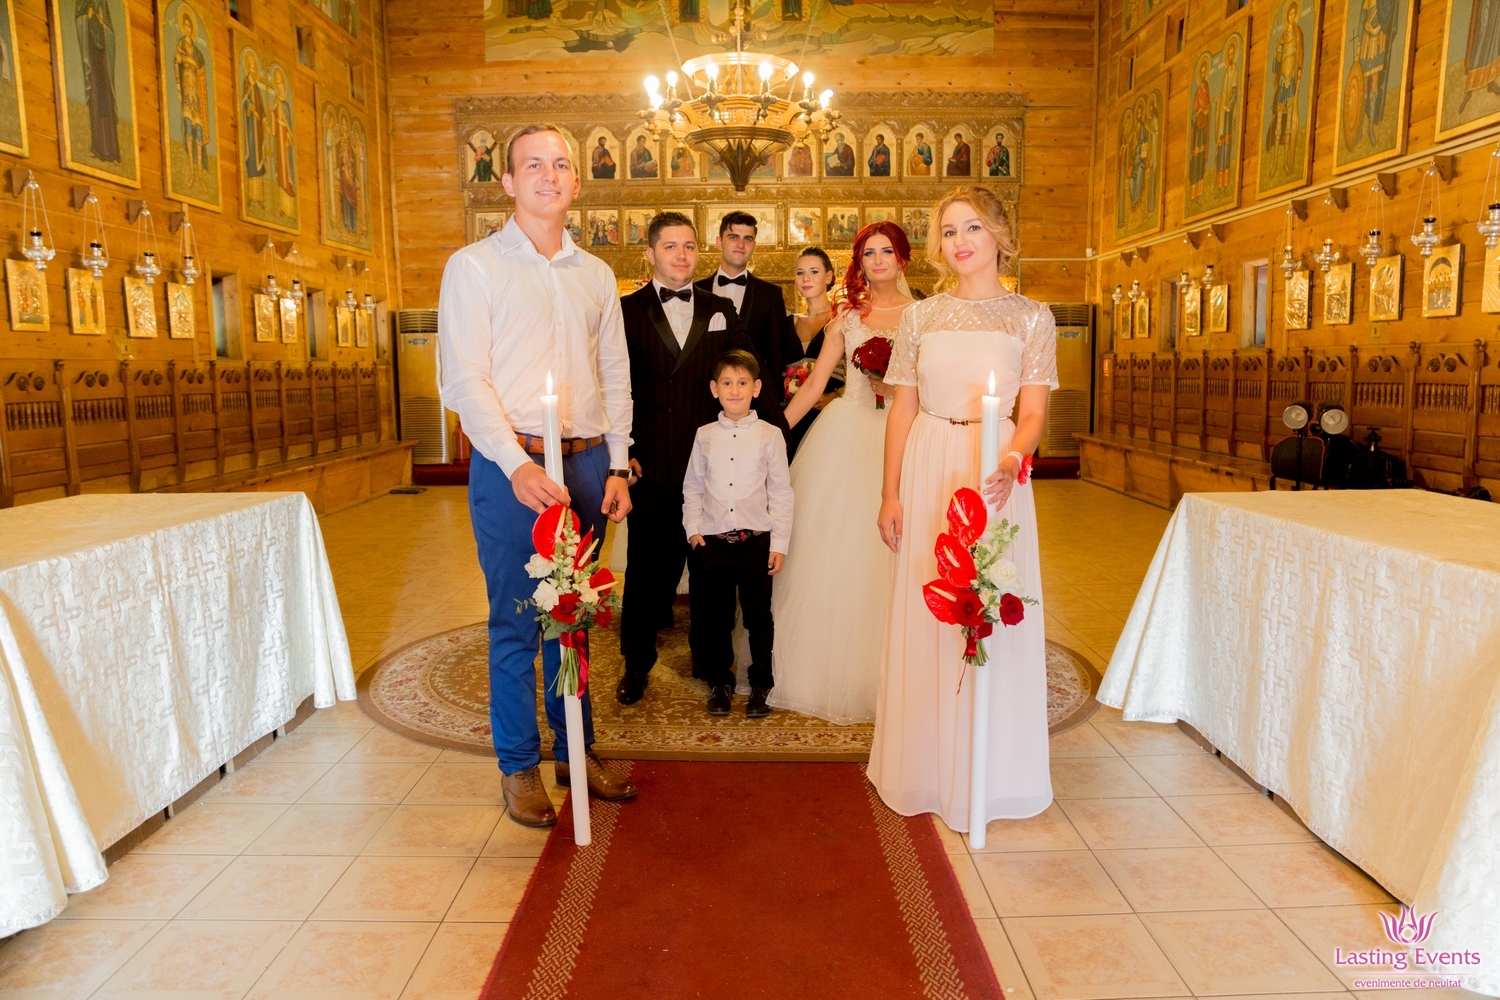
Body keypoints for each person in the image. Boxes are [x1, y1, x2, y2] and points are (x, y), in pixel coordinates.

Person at [437, 124, 639, 829]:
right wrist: (516, 463)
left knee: (573, 619)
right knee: (518, 620)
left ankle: (575, 751)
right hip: (512, 464)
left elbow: (615, 374)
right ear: (508, 182)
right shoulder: (475, 267)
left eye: (560, 164)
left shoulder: (596, 274)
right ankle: (519, 765)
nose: (549, 175)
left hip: (586, 462)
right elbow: (464, 379)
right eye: (533, 165)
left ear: (576, 181)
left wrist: (618, 463)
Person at [872, 185, 1057, 831]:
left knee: (988, 602)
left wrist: (1011, 459)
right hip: (929, 463)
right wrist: (891, 491)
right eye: (949, 231)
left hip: (993, 470)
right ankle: (924, 767)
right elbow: (902, 409)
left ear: (999, 233)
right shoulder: (921, 317)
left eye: (972, 227)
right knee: (929, 604)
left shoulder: (1032, 317)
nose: (960, 241)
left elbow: (1032, 412)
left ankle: (993, 768)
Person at [615, 212, 790, 706]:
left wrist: (780, 434)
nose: (681, 255)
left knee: (711, 578)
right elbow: (614, 386)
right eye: (670, 246)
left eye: (689, 246)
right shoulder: (625, 311)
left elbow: (753, 372)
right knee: (647, 575)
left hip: (714, 469)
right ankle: (636, 664)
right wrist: (622, 452)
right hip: (651, 463)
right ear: (650, 253)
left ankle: (711, 665)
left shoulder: (720, 308)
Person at [771, 223, 914, 724]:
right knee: (836, 549)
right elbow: (813, 386)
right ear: (858, 263)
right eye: (868, 253)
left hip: (904, 435)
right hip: (847, 432)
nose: (878, 260)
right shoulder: (847, 317)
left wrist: (901, 391)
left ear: (903, 259)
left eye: (887, 251)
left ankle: (899, 671)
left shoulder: (922, 315)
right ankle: (830, 667)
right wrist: (772, 435)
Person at [683, 350, 794, 718]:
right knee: (716, 617)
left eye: (742, 383)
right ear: (714, 389)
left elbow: (781, 492)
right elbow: (692, 487)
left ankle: (761, 684)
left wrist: (779, 544)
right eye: (727, 383)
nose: (735, 390)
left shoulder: (770, 436)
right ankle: (720, 682)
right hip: (713, 544)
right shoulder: (704, 436)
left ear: (756, 388)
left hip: (756, 544)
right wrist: (693, 530)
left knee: (758, 617)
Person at [694, 211, 803, 412]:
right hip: (701, 399)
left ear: (754, 245)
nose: (741, 244)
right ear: (719, 242)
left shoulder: (770, 294)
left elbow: (775, 356)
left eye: (748, 239)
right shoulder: (695, 291)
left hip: (753, 402)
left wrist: (774, 405)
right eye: (733, 237)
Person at [782, 248, 842, 453]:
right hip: (793, 416)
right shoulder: (787, 323)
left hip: (829, 416)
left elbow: (859, 370)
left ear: (828, 277)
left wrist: (836, 395)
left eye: (814, 272)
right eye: (800, 273)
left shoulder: (841, 318)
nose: (806, 278)